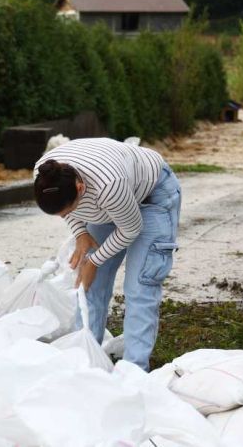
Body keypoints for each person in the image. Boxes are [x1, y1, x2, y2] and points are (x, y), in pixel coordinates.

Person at [34, 138, 181, 371]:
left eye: (69, 210)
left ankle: (134, 370)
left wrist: (94, 260)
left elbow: (131, 228)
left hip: (151, 196)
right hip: (106, 203)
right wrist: (80, 233)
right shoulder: (45, 176)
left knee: (139, 286)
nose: (65, 216)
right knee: (90, 286)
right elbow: (65, 210)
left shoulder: (109, 185)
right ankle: (85, 361)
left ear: (80, 188)